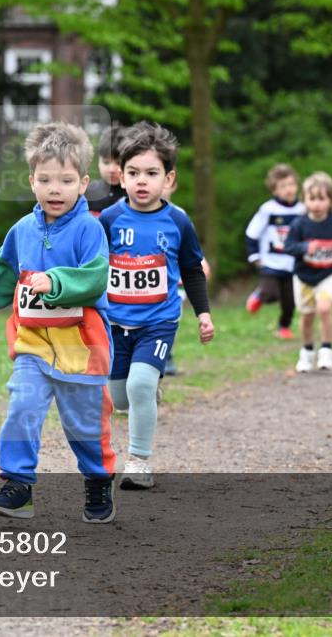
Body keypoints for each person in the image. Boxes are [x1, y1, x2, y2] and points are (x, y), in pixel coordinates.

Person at [0, 121, 117, 524]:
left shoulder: (89, 229)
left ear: (83, 183)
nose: (55, 189)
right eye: (45, 179)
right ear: (31, 182)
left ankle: (98, 478)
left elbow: (97, 276)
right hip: (32, 341)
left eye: (65, 180)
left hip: (82, 348)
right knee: (23, 406)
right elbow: (4, 268)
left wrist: (57, 281)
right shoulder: (23, 230)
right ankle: (18, 486)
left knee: (84, 424)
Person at [99, 122, 214, 489]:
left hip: (158, 322)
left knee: (139, 386)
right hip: (115, 323)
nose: (142, 181)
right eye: (133, 173)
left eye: (152, 173)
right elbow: (93, 267)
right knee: (120, 398)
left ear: (169, 178)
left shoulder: (178, 221)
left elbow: (193, 270)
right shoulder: (110, 219)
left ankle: (139, 462)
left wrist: (204, 314)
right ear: (121, 176)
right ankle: (147, 390)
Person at [283, 172, 332, 372]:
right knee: (307, 316)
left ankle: (327, 351)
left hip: (328, 274)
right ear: (305, 200)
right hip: (304, 277)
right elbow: (289, 246)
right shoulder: (299, 224)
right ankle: (307, 352)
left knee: (324, 309)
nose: (317, 204)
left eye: (322, 199)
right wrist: (305, 248)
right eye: (312, 199)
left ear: (331, 200)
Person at [244, 163, 305, 339]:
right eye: (283, 186)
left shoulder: (302, 210)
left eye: (292, 185)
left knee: (290, 301)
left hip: (292, 263)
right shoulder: (268, 210)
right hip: (270, 261)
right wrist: (254, 256)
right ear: (274, 190)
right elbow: (252, 233)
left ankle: (284, 326)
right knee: (270, 292)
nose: (289, 189)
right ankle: (259, 295)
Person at [159, 174, 211, 377]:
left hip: (173, 282)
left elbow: (190, 248)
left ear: (172, 184)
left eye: (163, 182)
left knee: (170, 317)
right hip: (143, 281)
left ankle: (167, 356)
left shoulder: (179, 215)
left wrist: (202, 263)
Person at [85, 125, 127, 216]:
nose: (111, 169)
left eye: (118, 163)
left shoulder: (135, 196)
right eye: (106, 162)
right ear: (98, 161)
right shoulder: (87, 193)